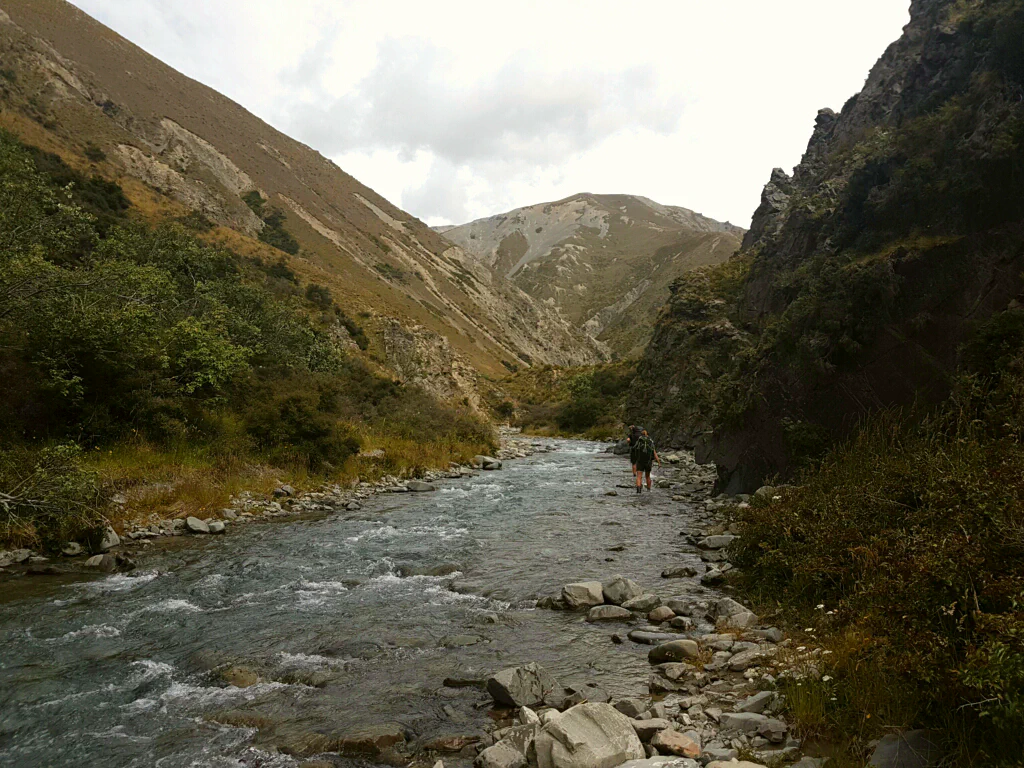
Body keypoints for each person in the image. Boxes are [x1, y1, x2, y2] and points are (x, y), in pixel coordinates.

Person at [634, 429, 661, 493]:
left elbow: (635, 450)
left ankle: (638, 491)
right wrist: (659, 462)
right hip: (648, 461)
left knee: (639, 476)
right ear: (647, 434)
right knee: (647, 476)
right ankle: (648, 490)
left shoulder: (639, 441)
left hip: (640, 461)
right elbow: (654, 453)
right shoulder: (650, 441)